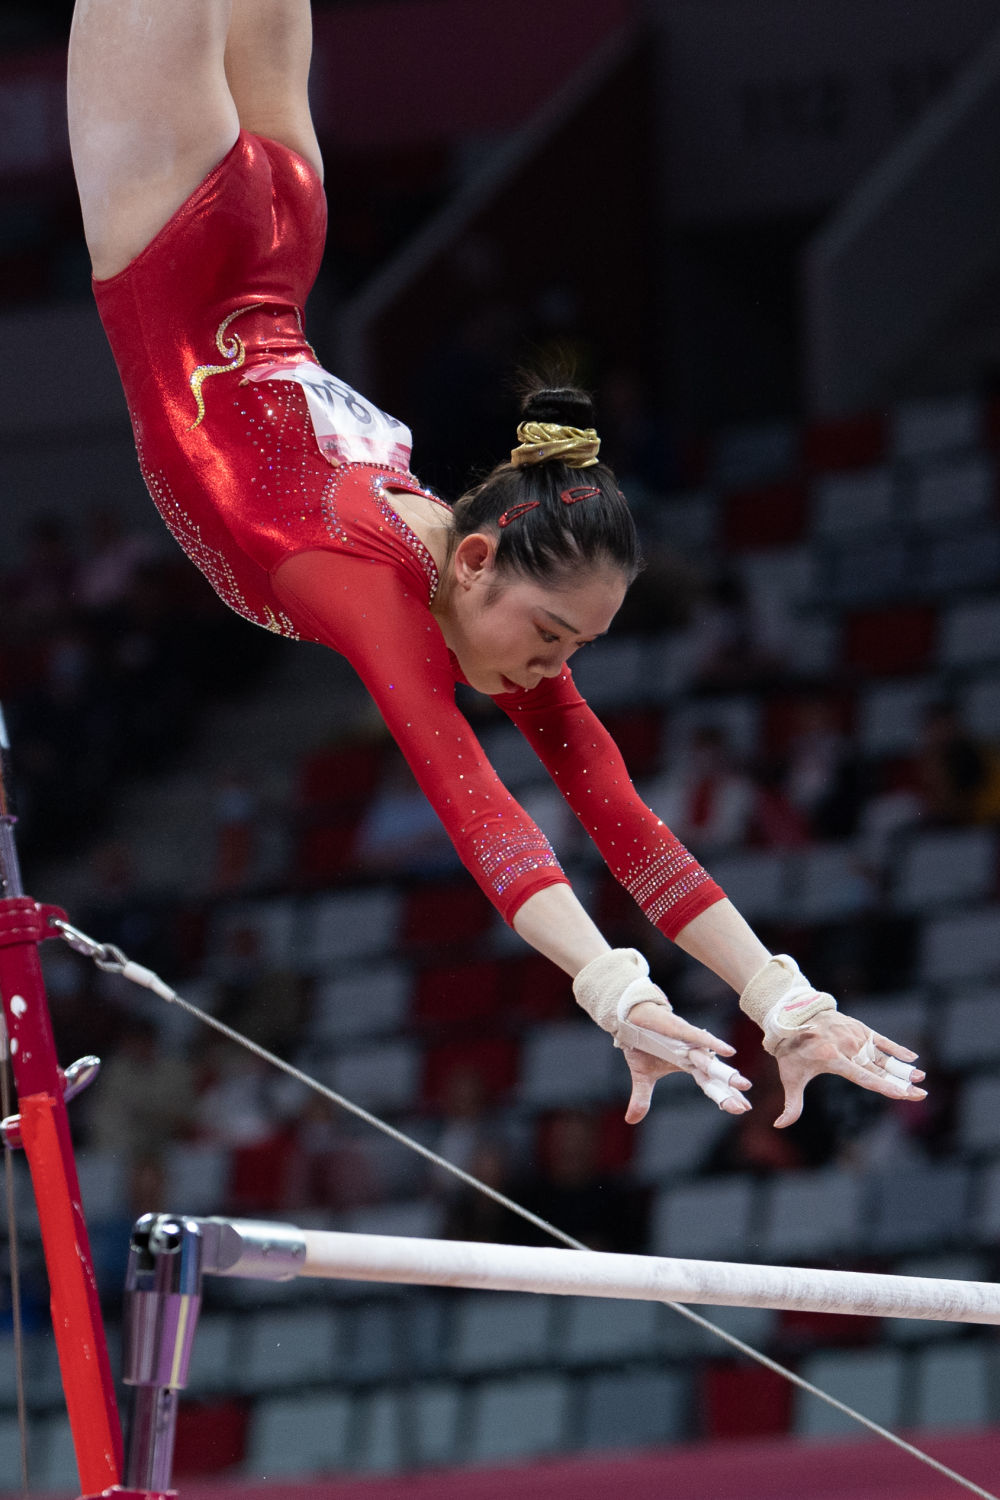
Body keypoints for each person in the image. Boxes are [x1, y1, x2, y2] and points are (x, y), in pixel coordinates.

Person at [67, 0, 926, 1129]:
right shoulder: (369, 587)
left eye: (572, 649)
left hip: (267, 231)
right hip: (181, 236)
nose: (548, 671)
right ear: (475, 558)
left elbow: (621, 817)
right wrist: (612, 984)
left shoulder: (475, 587)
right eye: (553, 638)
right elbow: (479, 811)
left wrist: (782, 997)